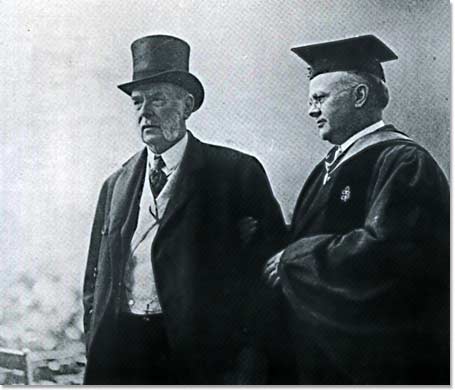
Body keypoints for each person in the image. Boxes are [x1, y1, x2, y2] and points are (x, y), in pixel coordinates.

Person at [83, 34, 287, 384]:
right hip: (124, 351)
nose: (145, 113)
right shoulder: (115, 185)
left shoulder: (236, 174)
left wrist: (248, 362)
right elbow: (95, 276)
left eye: (158, 99)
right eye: (137, 102)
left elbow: (268, 274)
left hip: (201, 358)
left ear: (187, 105)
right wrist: (96, 335)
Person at [264, 35, 449, 385]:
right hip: (317, 350)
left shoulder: (404, 162)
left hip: (373, 360)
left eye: (320, 98)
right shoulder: (328, 167)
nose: (311, 110)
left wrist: (294, 259)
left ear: (360, 96)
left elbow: (389, 252)